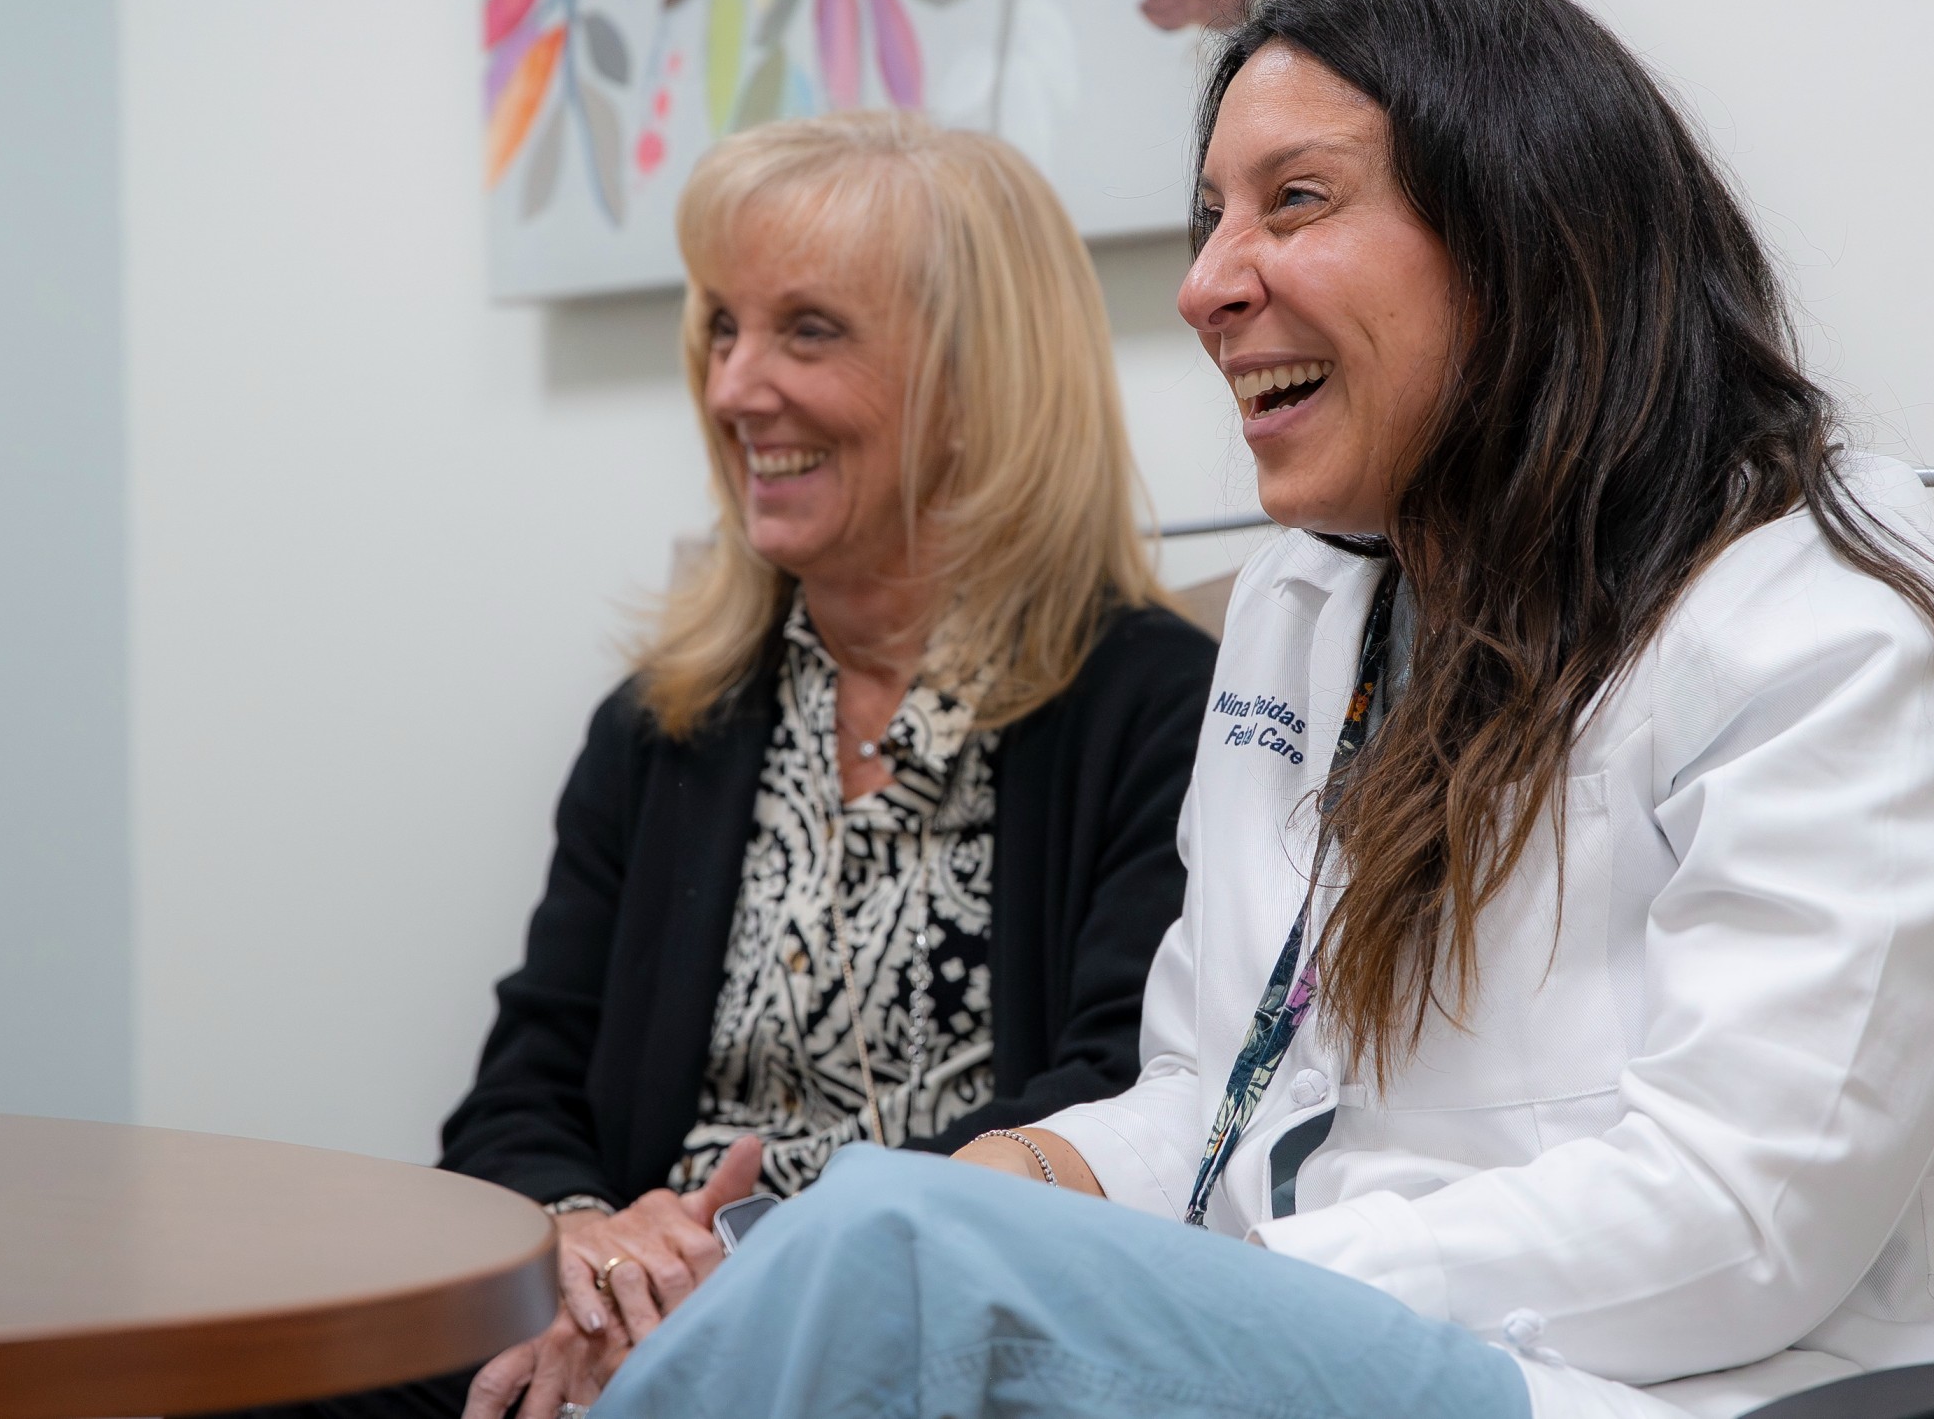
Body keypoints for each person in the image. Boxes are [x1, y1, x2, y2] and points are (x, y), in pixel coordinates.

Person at [576, 0, 1934, 1419]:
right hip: (1345, 1337)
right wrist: (1034, 1176)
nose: (1210, 285)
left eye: (1295, 201)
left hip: (1688, 1387)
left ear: (1527, 228)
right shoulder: (1318, 602)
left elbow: (1745, 1214)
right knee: (845, 1236)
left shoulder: (1823, 609)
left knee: (894, 1268)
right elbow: (1219, 1091)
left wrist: (1214, 1286)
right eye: (1210, 217)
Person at [238, 114, 1215, 1419]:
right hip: (617, 1313)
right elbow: (517, 1096)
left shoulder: (1158, 709)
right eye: (722, 328)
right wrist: (591, 1249)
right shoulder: (665, 725)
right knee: (249, 1382)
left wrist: (738, 1270)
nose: (734, 388)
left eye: (808, 330)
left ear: (980, 375)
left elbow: (1125, 1102)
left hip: (923, 1329)